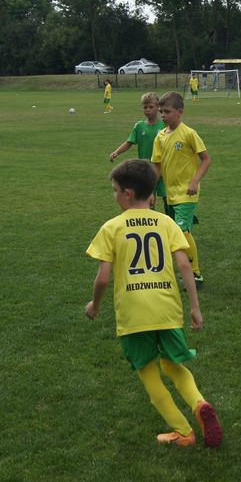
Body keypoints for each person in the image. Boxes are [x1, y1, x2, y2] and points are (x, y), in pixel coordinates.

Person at [85, 159, 223, 448]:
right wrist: (195, 308)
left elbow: (103, 278)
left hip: (134, 313)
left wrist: (95, 305)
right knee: (174, 366)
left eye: (114, 190)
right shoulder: (167, 223)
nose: (114, 195)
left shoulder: (111, 228)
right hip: (167, 309)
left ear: (127, 193)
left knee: (149, 373)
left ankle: (183, 432)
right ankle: (200, 404)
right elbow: (184, 265)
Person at [151, 92, 212, 288]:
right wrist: (151, 191)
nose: (163, 115)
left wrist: (194, 181)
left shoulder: (189, 133)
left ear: (180, 112)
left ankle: (196, 275)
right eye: (161, 112)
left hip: (187, 192)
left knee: (182, 232)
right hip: (170, 194)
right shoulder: (160, 136)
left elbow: (206, 160)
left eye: (167, 112)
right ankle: (182, 269)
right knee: (178, 232)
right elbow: (157, 167)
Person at [108, 92, 169, 213]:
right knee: (148, 199)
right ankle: (149, 220)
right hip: (147, 170)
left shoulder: (165, 125)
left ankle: (172, 220)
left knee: (168, 198)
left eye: (151, 107)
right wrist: (117, 152)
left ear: (158, 107)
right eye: (145, 107)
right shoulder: (139, 126)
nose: (148, 110)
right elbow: (129, 142)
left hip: (163, 167)